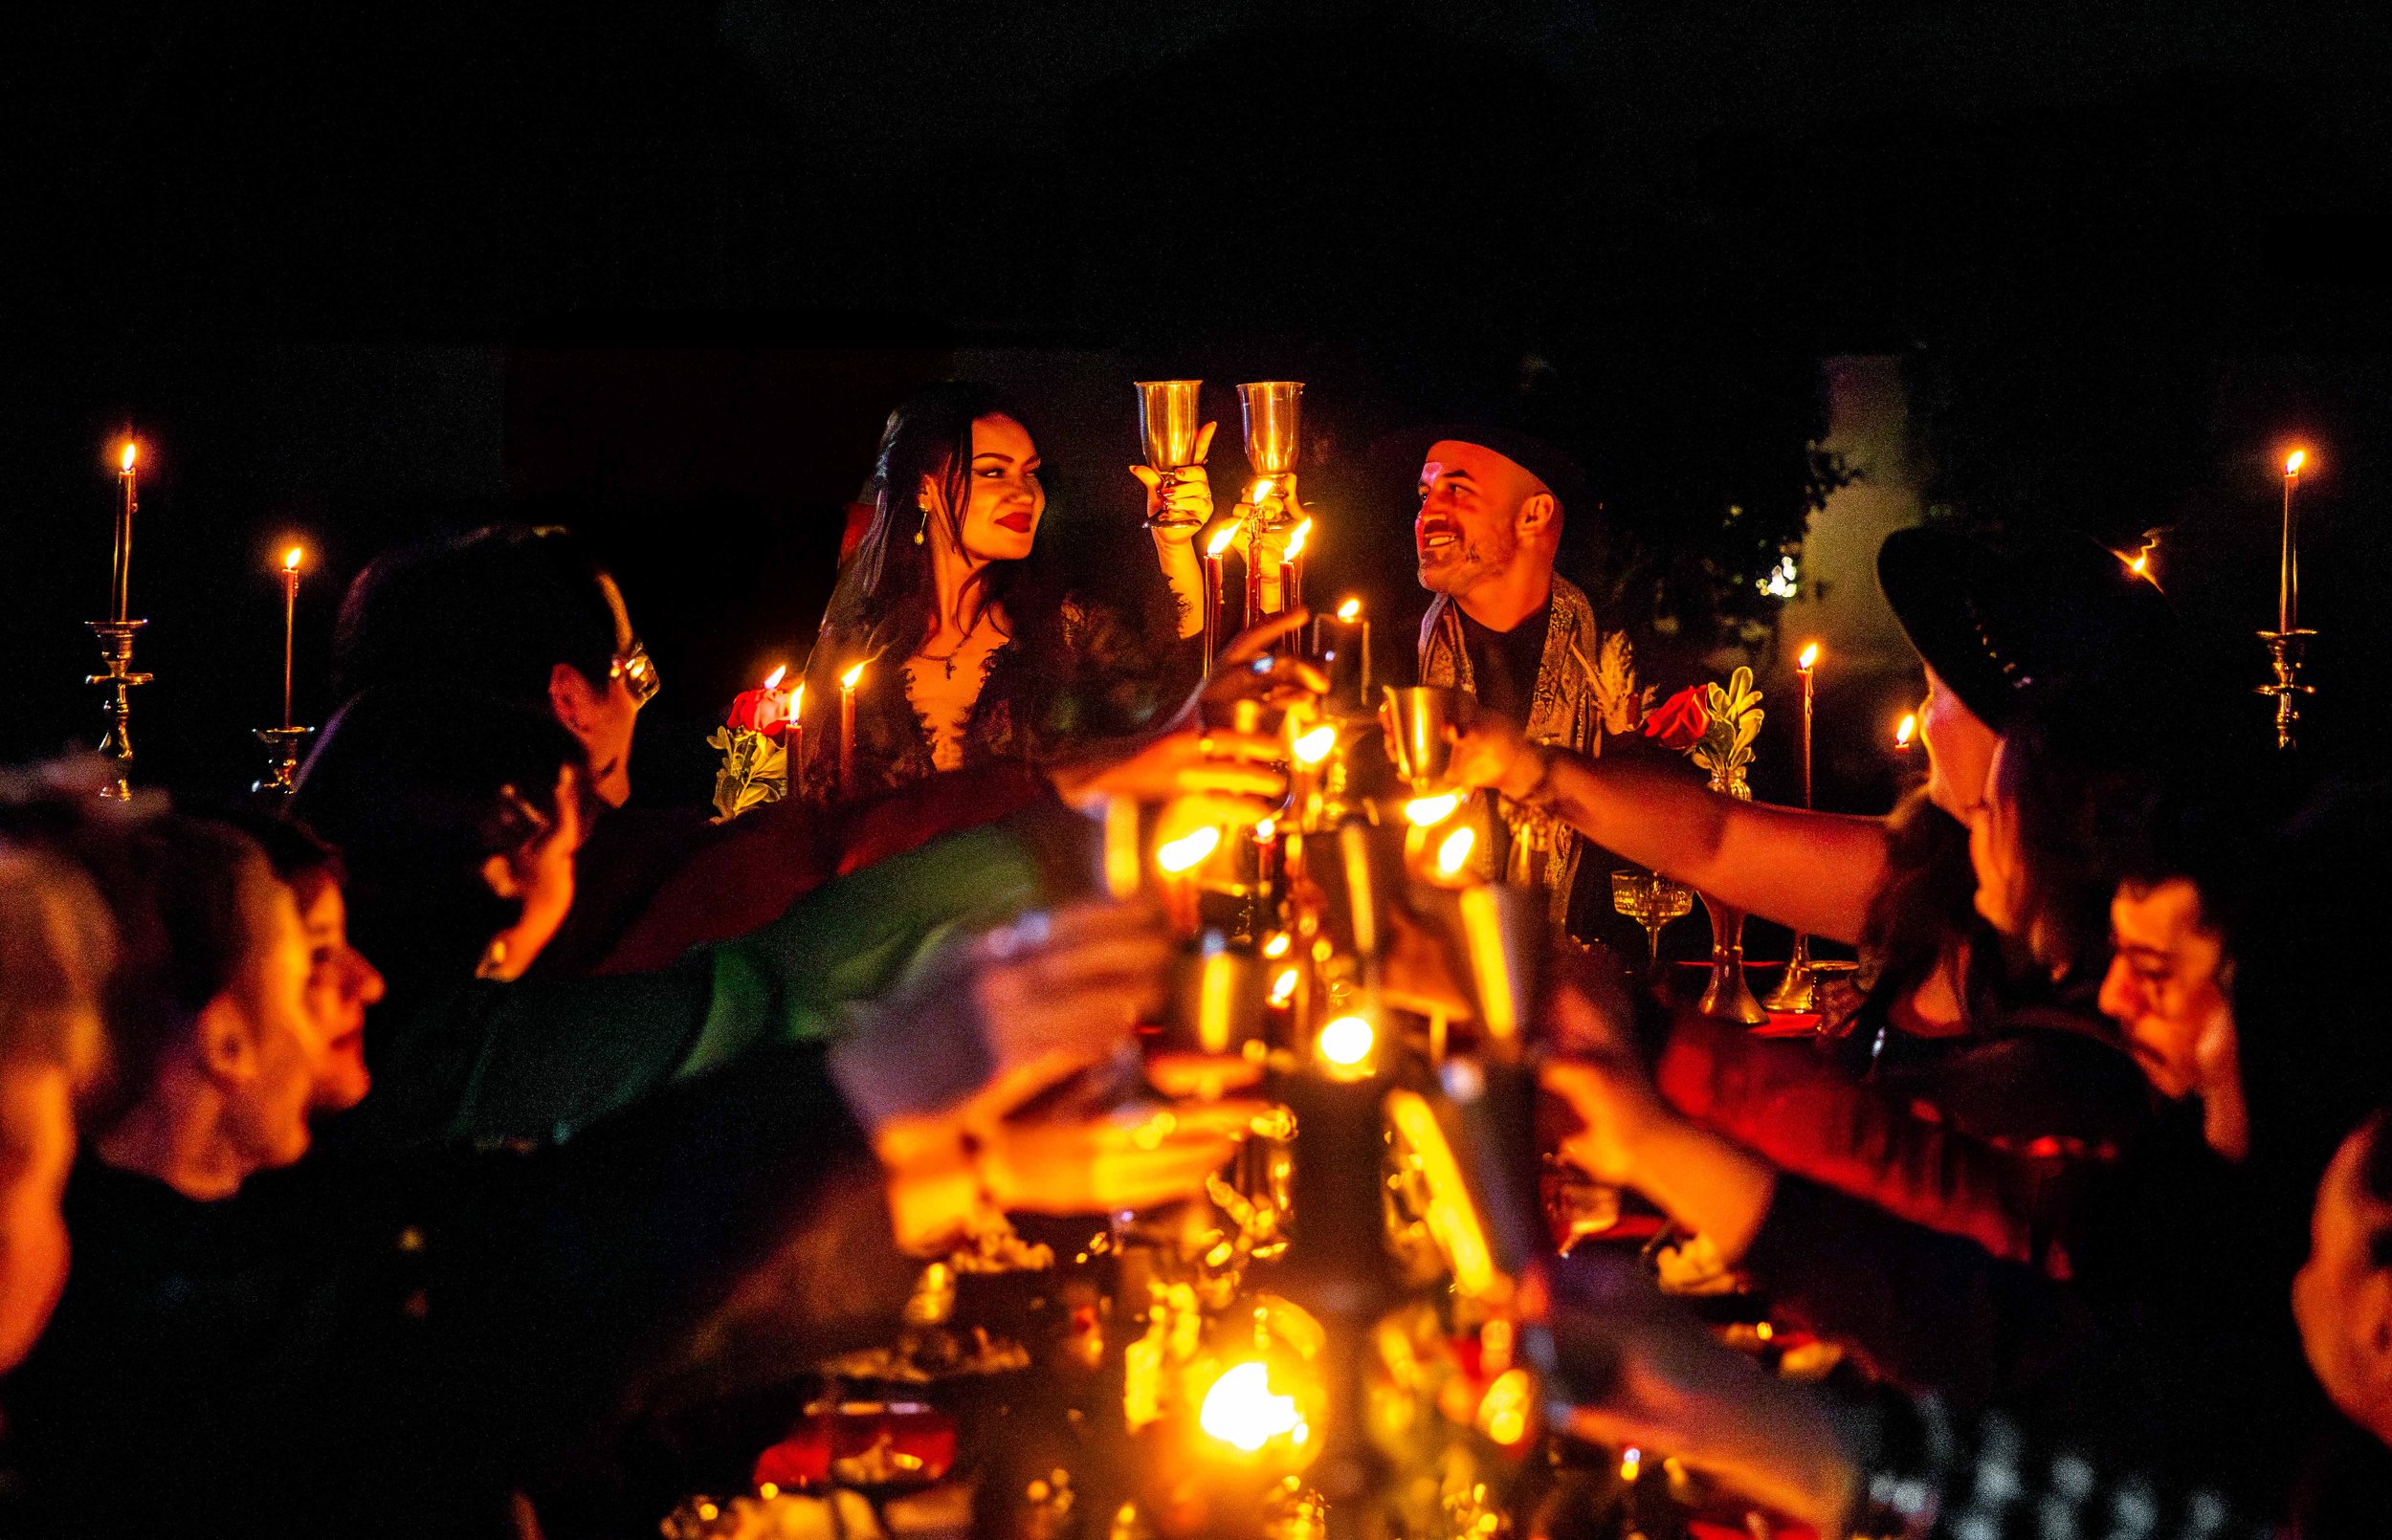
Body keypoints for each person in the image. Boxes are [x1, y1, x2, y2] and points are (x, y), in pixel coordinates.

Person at [2, 797, 1250, 1538]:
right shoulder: (127, 1347)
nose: (367, 985)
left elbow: (532, 1244)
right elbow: (519, 1318)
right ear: (210, 1033)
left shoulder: (263, 1223)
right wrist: (881, 1081)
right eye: (16, 1153)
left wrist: (983, 1162)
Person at [795, 382, 1212, 804]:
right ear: (925, 489)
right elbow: (812, 802)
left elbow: (1174, 709)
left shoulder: (1066, 627)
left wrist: (1174, 547)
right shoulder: (859, 642)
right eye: (993, 471)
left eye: (1030, 472)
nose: (1024, 493)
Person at [1406, 426, 1638, 939]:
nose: (1426, 515)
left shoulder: (1619, 654)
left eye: (1457, 490)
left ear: (1533, 515)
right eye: (1425, 495)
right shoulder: (1390, 660)